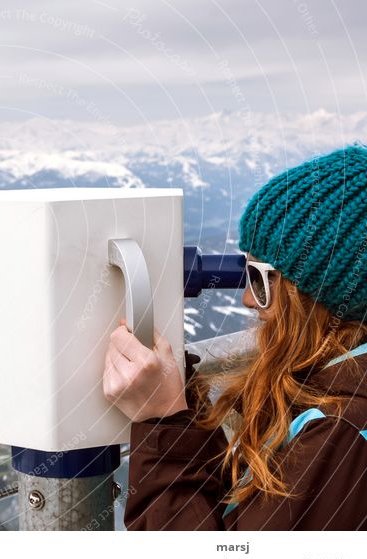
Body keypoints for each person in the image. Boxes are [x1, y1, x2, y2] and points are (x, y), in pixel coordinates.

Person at [102, 144, 367, 530]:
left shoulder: (341, 433)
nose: (246, 298)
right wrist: (181, 405)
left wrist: (162, 422)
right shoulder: (336, 402)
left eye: (262, 278)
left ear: (326, 296)